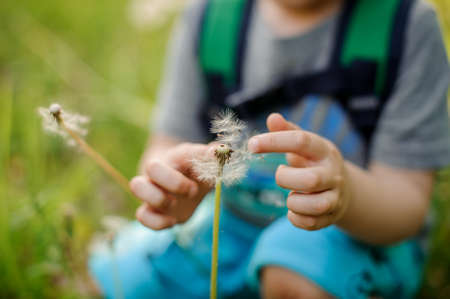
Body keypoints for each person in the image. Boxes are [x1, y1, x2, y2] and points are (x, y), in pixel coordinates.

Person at [89, 0, 450, 298]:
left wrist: (347, 194)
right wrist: (171, 184)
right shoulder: (211, 16)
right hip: (228, 222)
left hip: (353, 234)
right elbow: (165, 144)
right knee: (119, 278)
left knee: (291, 270)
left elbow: (407, 203)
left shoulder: (405, 27)